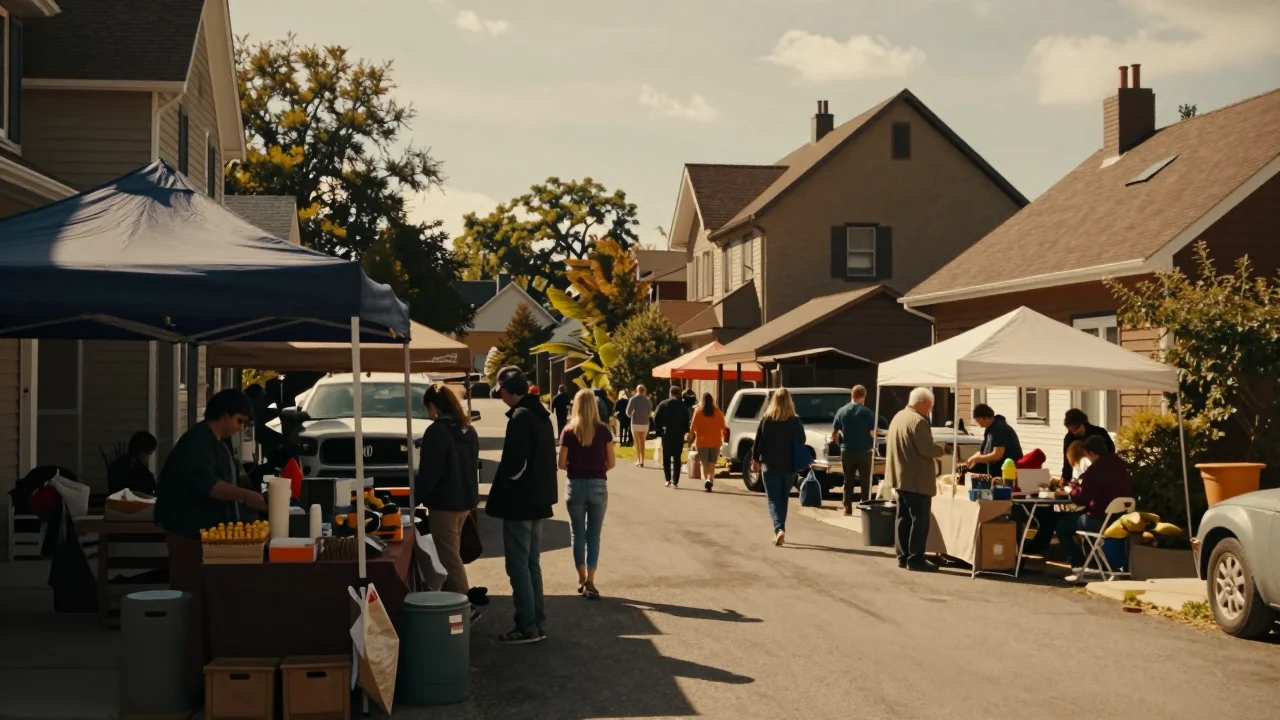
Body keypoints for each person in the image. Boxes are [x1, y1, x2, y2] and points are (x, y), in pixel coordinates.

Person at [155, 389, 268, 695]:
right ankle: (182, 668)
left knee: (206, 598)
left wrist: (257, 493)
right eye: (239, 421)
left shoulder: (220, 443)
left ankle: (200, 660)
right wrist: (248, 497)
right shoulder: (196, 442)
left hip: (210, 535)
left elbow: (235, 477)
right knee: (188, 597)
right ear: (224, 414)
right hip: (188, 532)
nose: (241, 428)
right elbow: (208, 485)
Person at [485, 366, 558, 645]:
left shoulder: (520, 417)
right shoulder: (541, 415)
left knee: (518, 565)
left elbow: (516, 465)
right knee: (531, 563)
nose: (500, 396)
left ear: (506, 389)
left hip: (521, 501)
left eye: (500, 391)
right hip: (540, 498)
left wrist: (503, 489)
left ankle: (526, 624)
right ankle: (537, 621)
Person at [416, 383, 482, 619]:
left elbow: (430, 473)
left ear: (434, 406)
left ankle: (465, 606)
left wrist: (414, 499)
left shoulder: (436, 432)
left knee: (449, 558)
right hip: (465, 501)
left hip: (443, 504)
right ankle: (450, 604)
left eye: (427, 407)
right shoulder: (468, 430)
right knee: (451, 555)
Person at [558, 389, 615, 600]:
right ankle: (591, 579)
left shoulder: (568, 431)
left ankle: (581, 578)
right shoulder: (603, 431)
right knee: (594, 535)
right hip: (598, 484)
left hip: (575, 485)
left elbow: (561, 463)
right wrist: (597, 469)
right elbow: (612, 462)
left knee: (577, 534)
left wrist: (577, 467)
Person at [885, 388, 947, 571]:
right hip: (917, 479)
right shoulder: (918, 421)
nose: (930, 409)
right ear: (923, 403)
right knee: (919, 521)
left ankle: (903, 556)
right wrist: (942, 449)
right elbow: (926, 449)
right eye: (930, 405)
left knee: (903, 518)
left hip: (900, 476)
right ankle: (915, 558)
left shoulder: (898, 417)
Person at [1055, 435, 1133, 574]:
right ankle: (1092, 562)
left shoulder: (1096, 469)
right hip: (1121, 519)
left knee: (1063, 525)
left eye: (1086, 454)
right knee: (1079, 521)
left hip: (1100, 520)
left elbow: (1081, 498)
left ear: (1091, 452)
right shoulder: (1121, 465)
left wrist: (1069, 490)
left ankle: (1079, 564)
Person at [751, 389, 806, 546]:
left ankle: (779, 529)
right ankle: (780, 529)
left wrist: (755, 459)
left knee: (773, 499)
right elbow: (802, 439)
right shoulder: (794, 421)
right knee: (783, 498)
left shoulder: (767, 419)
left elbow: (758, 441)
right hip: (789, 466)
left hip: (770, 465)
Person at [831, 385, 876, 516]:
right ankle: (865, 507)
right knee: (865, 481)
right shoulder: (868, 412)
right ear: (864, 396)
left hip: (847, 450)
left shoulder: (841, 411)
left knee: (848, 480)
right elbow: (873, 432)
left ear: (852, 395)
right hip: (865, 451)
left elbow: (834, 433)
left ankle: (847, 508)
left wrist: (840, 444)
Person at [966, 404, 1023, 478]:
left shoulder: (1000, 429)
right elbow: (983, 452)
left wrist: (977, 459)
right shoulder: (989, 429)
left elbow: (997, 455)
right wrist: (972, 459)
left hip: (1007, 471)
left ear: (985, 418)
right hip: (995, 470)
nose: (978, 424)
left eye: (978, 421)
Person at [653, 385, 692, 488]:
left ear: (670, 393)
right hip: (679, 434)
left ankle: (667, 479)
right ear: (679, 394)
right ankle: (675, 481)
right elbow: (687, 420)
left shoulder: (663, 404)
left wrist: (658, 429)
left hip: (667, 433)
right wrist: (686, 431)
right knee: (677, 457)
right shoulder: (683, 406)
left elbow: (656, 417)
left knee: (666, 457)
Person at [1061, 408, 1114, 481]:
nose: (1075, 432)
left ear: (1083, 423)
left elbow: (1111, 452)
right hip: (1080, 475)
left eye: (1076, 428)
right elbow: (1067, 462)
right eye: (1071, 430)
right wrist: (1065, 479)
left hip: (1103, 472)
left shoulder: (1099, 432)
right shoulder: (1069, 438)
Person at [689, 393, 727, 492]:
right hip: (715, 441)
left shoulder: (698, 411)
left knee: (704, 463)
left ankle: (707, 479)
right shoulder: (717, 412)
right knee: (712, 464)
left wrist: (690, 436)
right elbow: (723, 427)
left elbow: (693, 427)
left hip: (702, 442)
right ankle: (710, 479)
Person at [107, 431, 158, 495]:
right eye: (148, 454)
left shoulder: (118, 465)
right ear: (141, 452)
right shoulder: (137, 470)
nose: (148, 458)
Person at [626, 385, 654, 467]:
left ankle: (639, 460)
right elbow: (649, 412)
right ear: (644, 390)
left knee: (637, 442)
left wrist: (633, 416)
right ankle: (642, 460)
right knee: (642, 442)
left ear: (637, 390)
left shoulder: (633, 399)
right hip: (645, 423)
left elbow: (628, 412)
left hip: (635, 423)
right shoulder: (647, 400)